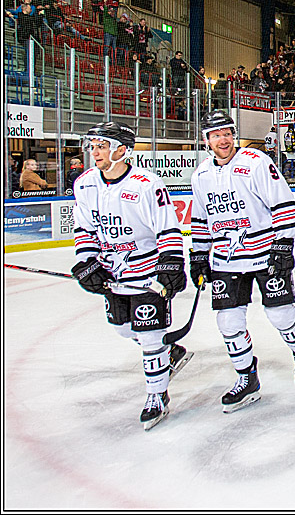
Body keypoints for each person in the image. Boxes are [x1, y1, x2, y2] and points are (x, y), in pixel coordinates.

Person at [189, 111, 295, 412]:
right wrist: (197, 256)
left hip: (264, 251)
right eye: (216, 135)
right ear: (206, 140)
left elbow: (282, 202)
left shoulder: (256, 163)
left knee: (281, 315)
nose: (223, 139)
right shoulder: (200, 175)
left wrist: (283, 246)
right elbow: (201, 219)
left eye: (227, 133)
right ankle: (247, 378)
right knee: (228, 322)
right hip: (225, 260)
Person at [71, 122, 190, 429]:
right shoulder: (84, 184)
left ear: (121, 150)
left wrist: (171, 263)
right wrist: (86, 262)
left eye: (102, 146)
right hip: (114, 273)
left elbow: (167, 228)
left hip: (146, 270)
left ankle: (156, 395)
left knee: (149, 336)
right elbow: (84, 229)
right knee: (125, 330)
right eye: (93, 146)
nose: (95, 152)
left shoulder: (146, 184)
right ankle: (170, 352)